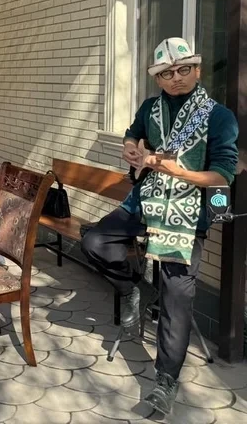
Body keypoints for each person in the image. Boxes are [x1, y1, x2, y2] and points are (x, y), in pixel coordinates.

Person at [80, 37, 238, 416]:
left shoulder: (218, 116)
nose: (176, 78)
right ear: (157, 78)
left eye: (183, 69)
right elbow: (132, 131)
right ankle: (135, 290)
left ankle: (165, 380)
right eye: (167, 73)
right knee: (95, 241)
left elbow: (222, 175)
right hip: (144, 201)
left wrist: (179, 172)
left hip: (185, 211)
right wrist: (130, 146)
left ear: (197, 70)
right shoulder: (151, 108)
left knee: (177, 296)